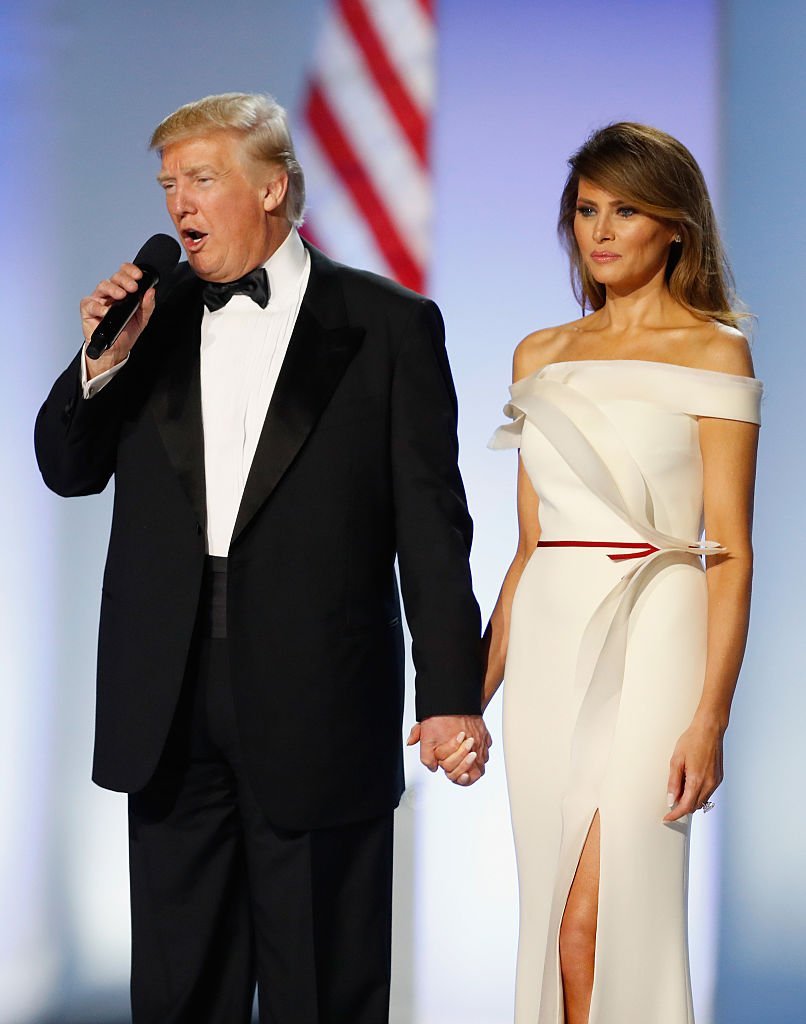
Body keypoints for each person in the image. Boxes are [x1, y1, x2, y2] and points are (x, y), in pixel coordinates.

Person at [34, 91, 490, 1024]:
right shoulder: (145, 326)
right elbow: (66, 469)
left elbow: (431, 524)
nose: (179, 206)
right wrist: (99, 361)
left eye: (201, 180)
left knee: (321, 985)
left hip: (321, 696)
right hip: (166, 699)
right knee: (178, 986)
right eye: (169, 185)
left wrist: (449, 691)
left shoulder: (390, 326)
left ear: (274, 188)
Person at [483, 123, 762, 1023]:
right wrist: (462, 695)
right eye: (586, 210)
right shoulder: (541, 355)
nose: (599, 231)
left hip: (659, 631)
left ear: (674, 224)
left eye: (626, 210)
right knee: (554, 918)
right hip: (552, 640)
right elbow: (528, 552)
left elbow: (732, 551)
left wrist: (711, 718)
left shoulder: (716, 354)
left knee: (599, 923)